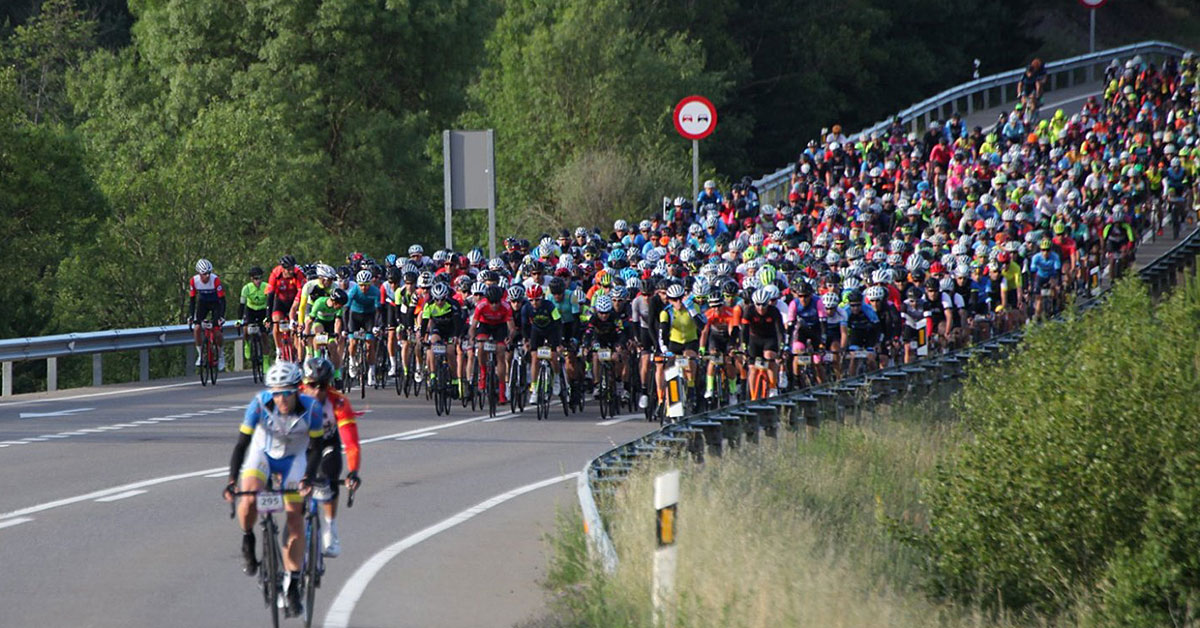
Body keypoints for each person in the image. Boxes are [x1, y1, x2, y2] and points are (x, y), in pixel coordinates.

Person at [223, 361, 323, 617]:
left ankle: (293, 581)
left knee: (294, 517)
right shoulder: (259, 403)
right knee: (248, 500)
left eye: (286, 392)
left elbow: (316, 449)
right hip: (264, 455)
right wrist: (232, 480)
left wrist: (308, 479)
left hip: (295, 458)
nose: (281, 398)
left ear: (296, 391)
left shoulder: (311, 408)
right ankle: (248, 538)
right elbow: (241, 444)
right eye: (276, 392)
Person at [299, 358, 363, 558]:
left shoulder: (339, 402)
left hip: (326, 443)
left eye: (322, 386)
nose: (317, 391)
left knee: (329, 473)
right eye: (312, 385)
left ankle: (330, 528)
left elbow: (351, 443)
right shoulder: (294, 397)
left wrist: (353, 472)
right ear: (303, 383)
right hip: (299, 445)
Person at [265, 255, 305, 360]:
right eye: (288, 269)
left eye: (292, 268)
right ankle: (279, 350)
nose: (291, 271)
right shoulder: (275, 274)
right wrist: (268, 317)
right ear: (283, 268)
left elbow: (302, 292)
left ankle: (297, 354)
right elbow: (270, 295)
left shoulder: (298, 274)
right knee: (277, 324)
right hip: (280, 302)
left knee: (296, 328)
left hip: (294, 301)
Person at [190, 258, 227, 371]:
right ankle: (200, 355)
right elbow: (192, 300)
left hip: (216, 304)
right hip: (203, 304)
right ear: (199, 273)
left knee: (216, 331)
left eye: (209, 273)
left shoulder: (215, 280)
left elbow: (222, 300)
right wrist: (192, 316)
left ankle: (220, 356)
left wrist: (220, 316)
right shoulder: (194, 281)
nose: (207, 276)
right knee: (196, 328)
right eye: (204, 274)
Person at [238, 266, 269, 370]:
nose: (258, 281)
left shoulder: (266, 287)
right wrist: (239, 319)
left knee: (264, 335)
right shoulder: (246, 288)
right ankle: (246, 343)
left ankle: (265, 361)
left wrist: (268, 317)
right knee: (246, 329)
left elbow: (271, 303)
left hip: (263, 311)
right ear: (251, 279)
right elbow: (242, 305)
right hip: (250, 310)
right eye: (256, 279)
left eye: (260, 278)